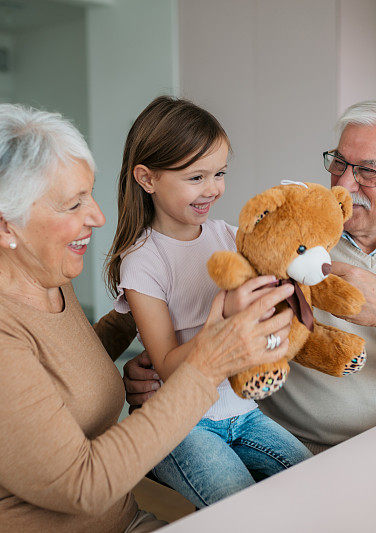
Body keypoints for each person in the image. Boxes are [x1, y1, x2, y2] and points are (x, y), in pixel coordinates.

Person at [0, 103, 295, 532]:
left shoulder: (46, 279)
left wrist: (145, 334)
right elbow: (83, 486)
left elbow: (53, 358)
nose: (98, 217)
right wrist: (206, 362)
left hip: (118, 521)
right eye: (73, 204)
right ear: (3, 226)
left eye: (91, 195)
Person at [124, 97, 376, 454]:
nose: (343, 185)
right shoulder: (287, 232)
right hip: (283, 439)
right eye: (339, 163)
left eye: (368, 171)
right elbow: (167, 286)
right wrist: (148, 363)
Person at [104, 96, 312, 509]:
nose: (213, 189)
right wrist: (228, 324)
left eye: (219, 173)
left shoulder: (225, 234)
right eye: (196, 177)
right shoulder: (143, 260)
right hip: (181, 425)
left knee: (313, 478)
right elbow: (165, 364)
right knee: (239, 506)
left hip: (244, 411)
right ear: (147, 179)